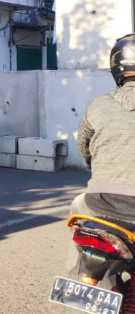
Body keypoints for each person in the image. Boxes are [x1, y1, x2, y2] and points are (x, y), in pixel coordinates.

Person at [67, 34, 135, 269]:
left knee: (77, 206)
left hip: (98, 201)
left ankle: (80, 270)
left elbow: (83, 146)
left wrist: (95, 166)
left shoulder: (98, 104)